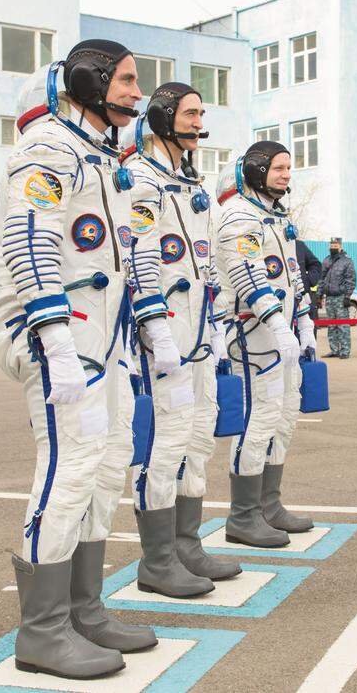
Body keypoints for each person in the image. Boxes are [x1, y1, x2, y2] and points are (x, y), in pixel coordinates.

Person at [0, 39, 146, 679]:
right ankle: (42, 630)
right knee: (71, 463)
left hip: (98, 334)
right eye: (127, 80)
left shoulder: (97, 157)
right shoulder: (49, 148)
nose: (135, 92)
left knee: (107, 464)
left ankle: (84, 608)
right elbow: (28, 246)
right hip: (55, 331)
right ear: (86, 81)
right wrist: (56, 347)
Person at [118, 81, 241, 600]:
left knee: (197, 438)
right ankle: (158, 559)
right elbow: (138, 258)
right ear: (164, 117)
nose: (198, 121)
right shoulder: (139, 180)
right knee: (165, 444)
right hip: (162, 336)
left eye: (201, 113)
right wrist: (156, 330)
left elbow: (206, 256)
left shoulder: (190, 184)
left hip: (199, 333)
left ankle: (187, 543)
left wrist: (217, 319)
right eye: (190, 113)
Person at [213, 141, 316, 547]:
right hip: (251, 334)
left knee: (284, 417)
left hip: (283, 335)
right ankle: (243, 516)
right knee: (257, 420)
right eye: (278, 167)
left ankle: (269, 505)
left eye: (289, 167)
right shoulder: (240, 215)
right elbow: (246, 273)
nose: (286, 174)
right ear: (255, 169)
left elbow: (292, 274)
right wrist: (275, 322)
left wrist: (304, 321)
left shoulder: (277, 217)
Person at [320, 236, 356, 358]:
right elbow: (322, 279)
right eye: (331, 246)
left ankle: (345, 351)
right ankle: (334, 350)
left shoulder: (347, 261)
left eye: (335, 246)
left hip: (340, 297)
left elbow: (350, 280)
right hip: (329, 298)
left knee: (342, 325)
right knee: (331, 325)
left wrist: (347, 296)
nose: (333, 248)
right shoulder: (326, 261)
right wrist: (319, 295)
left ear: (340, 247)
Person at [296, 239, 323, 332]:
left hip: (303, 300)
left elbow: (316, 265)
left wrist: (307, 281)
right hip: (280, 302)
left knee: (307, 338)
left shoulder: (298, 245)